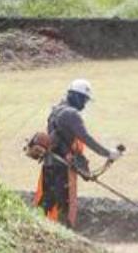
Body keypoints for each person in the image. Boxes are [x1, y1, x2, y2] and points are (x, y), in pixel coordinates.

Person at [34, 79, 124, 228]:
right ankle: (65, 238)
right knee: (65, 207)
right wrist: (109, 154)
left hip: (49, 165)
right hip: (62, 169)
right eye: (84, 100)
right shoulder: (72, 114)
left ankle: (39, 231)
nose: (84, 104)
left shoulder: (55, 110)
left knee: (46, 203)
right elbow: (86, 138)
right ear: (76, 97)